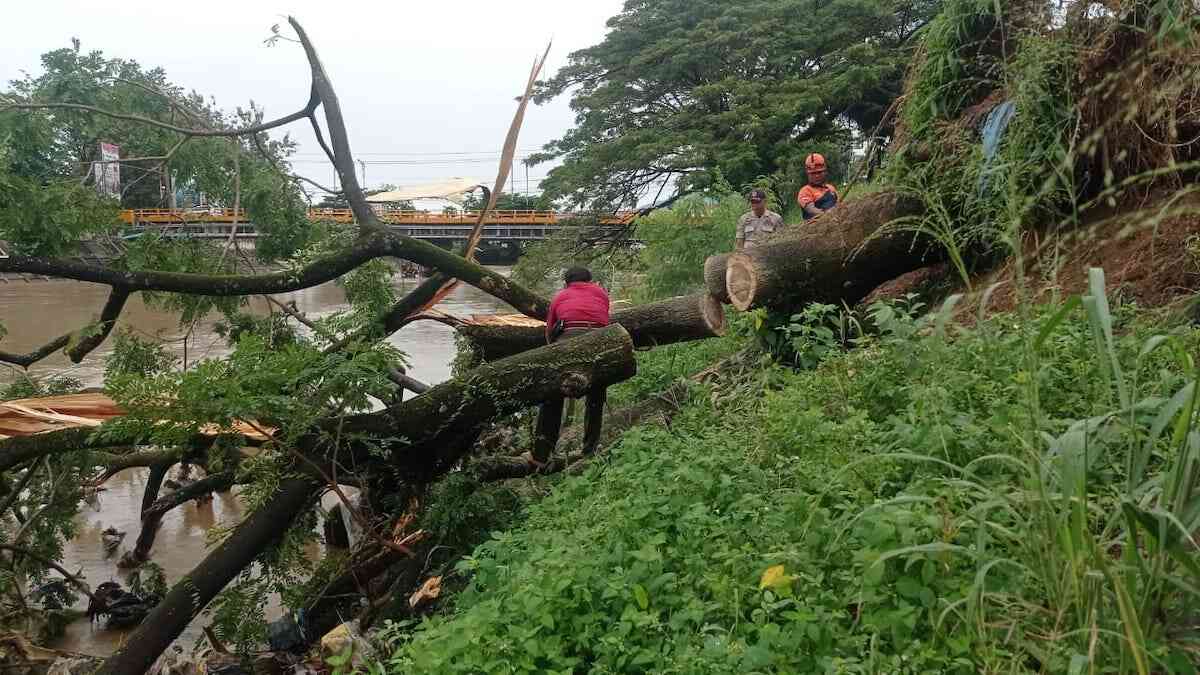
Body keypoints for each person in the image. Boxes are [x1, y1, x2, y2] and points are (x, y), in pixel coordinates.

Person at [527, 266, 611, 465]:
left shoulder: (560, 296)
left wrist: (554, 353)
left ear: (567, 282)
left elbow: (549, 331)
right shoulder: (602, 294)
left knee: (553, 394)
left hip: (568, 341)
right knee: (596, 395)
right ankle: (590, 450)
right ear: (590, 281)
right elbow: (604, 319)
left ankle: (541, 455)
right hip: (599, 341)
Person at [796, 153, 839, 220]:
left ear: (825, 172)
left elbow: (839, 205)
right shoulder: (805, 191)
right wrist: (827, 215)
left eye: (819, 172)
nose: (816, 176)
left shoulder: (831, 188)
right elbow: (811, 210)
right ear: (808, 174)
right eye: (813, 173)